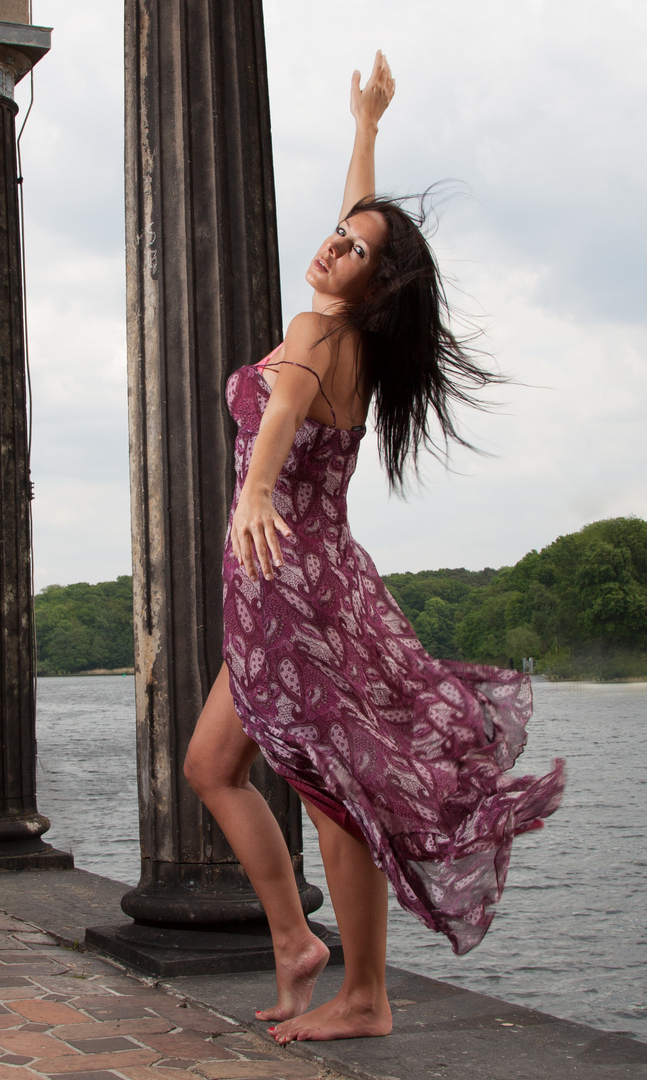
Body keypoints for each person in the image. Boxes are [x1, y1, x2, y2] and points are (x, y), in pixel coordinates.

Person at [182, 51, 566, 1045]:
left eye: (353, 250)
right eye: (336, 237)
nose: (333, 246)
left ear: (375, 283)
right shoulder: (351, 332)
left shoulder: (317, 336)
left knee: (329, 789)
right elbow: (364, 226)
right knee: (214, 764)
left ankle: (365, 995)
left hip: (290, 591)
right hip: (311, 584)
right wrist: (368, 129)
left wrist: (254, 491)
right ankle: (296, 942)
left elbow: (283, 414)